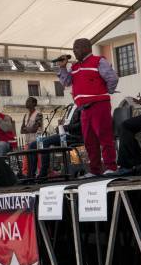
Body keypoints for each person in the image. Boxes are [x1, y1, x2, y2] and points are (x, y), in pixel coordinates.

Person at [57, 38, 118, 177]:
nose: (74, 51)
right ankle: (95, 170)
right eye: (73, 48)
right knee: (89, 141)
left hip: (99, 105)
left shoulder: (98, 61)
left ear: (86, 48)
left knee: (104, 137)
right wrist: (62, 67)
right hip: (84, 109)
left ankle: (111, 167)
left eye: (76, 48)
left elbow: (112, 78)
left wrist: (104, 92)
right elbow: (66, 82)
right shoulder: (74, 67)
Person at [28, 105, 83, 179]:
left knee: (45, 142)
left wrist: (65, 127)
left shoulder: (81, 107)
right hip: (63, 134)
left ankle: (44, 172)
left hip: (73, 136)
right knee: (33, 145)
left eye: (73, 93)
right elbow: (68, 123)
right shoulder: (71, 107)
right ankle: (31, 175)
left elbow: (81, 125)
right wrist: (60, 128)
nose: (71, 93)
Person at [21, 97, 43, 177]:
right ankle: (27, 176)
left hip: (37, 141)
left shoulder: (38, 114)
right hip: (28, 142)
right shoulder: (25, 115)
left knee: (39, 162)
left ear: (34, 104)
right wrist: (28, 129)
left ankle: (41, 176)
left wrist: (26, 128)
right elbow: (21, 131)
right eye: (26, 101)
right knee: (26, 163)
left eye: (28, 101)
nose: (26, 102)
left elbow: (35, 129)